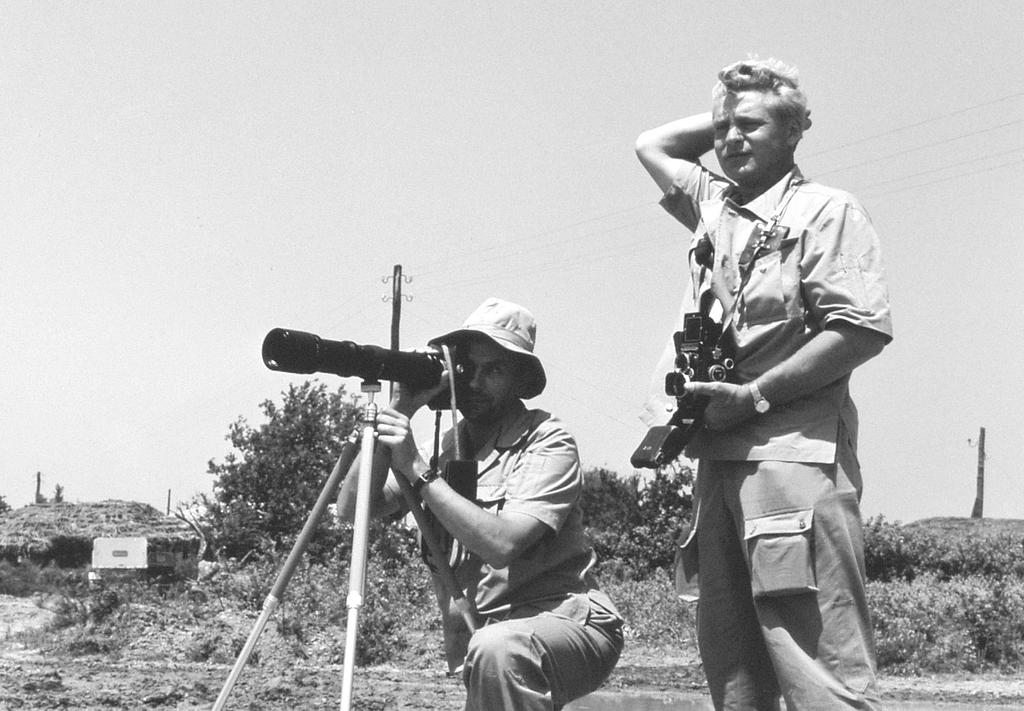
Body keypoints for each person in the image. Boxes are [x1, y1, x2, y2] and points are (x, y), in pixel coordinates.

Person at [634, 58, 893, 710]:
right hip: (717, 461)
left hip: (792, 461)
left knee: (820, 677)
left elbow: (860, 329)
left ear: (796, 130)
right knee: (734, 680)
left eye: (751, 126)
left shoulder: (826, 211)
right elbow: (652, 145)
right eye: (723, 127)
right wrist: (731, 110)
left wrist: (754, 397)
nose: (731, 138)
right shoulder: (714, 207)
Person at [336, 297, 623, 711]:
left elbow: (502, 545)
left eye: (494, 370)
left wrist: (419, 470)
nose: (475, 383)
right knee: (496, 649)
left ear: (520, 378)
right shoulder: (447, 446)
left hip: (567, 622)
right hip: (490, 641)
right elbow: (353, 509)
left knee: (499, 649)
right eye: (468, 368)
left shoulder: (547, 440)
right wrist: (401, 409)